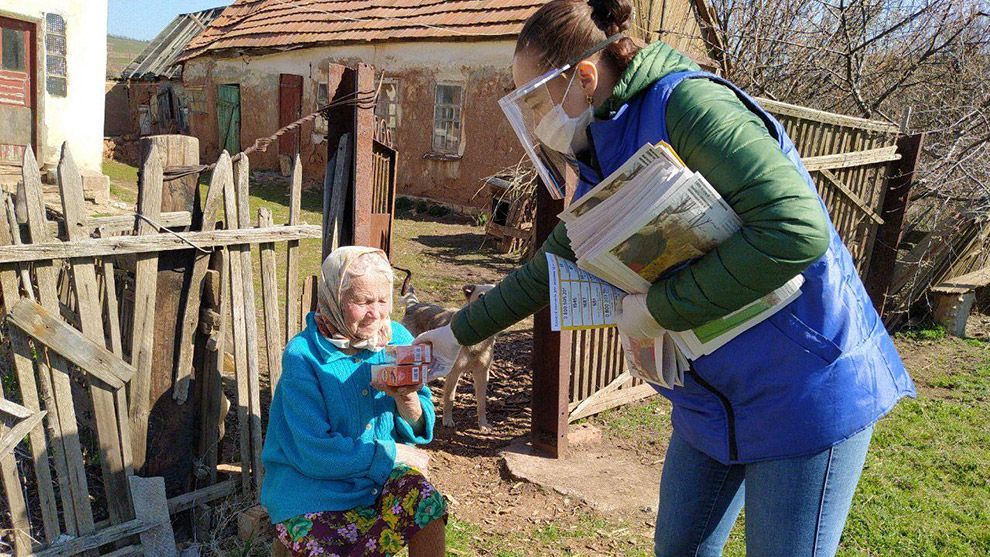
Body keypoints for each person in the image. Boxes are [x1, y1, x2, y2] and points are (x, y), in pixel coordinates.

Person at [414, 0, 916, 555]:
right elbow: (557, 262)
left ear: (586, 74)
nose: (536, 118)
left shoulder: (691, 105)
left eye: (537, 98)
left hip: (803, 387)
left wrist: (658, 310)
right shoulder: (600, 138)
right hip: (709, 398)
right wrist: (458, 333)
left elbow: (794, 232)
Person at [261, 247, 446, 557]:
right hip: (313, 486)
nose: (376, 313)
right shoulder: (304, 356)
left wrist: (408, 397)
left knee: (426, 502)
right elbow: (315, 451)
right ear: (334, 298)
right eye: (362, 302)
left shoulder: (397, 338)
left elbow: (420, 424)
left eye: (383, 300)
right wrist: (390, 453)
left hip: (376, 478)